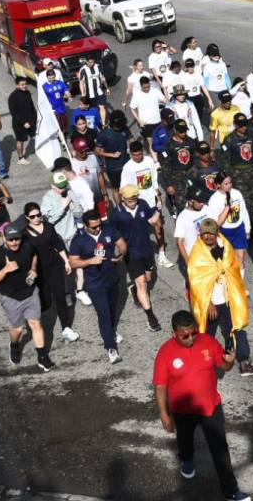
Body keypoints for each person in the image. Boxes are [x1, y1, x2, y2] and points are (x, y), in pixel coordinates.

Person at [153, 310, 252, 501]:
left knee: (220, 449)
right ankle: (187, 461)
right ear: (173, 333)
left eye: (193, 333)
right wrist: (164, 413)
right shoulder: (165, 353)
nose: (191, 339)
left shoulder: (207, 341)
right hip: (183, 411)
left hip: (211, 407)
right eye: (185, 336)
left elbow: (223, 366)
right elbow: (160, 385)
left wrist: (229, 362)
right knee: (185, 441)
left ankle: (231, 491)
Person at [188, 219, 253, 377]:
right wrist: (209, 303)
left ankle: (243, 361)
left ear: (216, 233)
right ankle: (202, 365)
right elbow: (196, 282)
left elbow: (233, 268)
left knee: (236, 330)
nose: (207, 237)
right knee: (206, 336)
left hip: (228, 299)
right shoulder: (198, 253)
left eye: (210, 234)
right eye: (204, 234)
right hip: (210, 303)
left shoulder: (225, 247)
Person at [0, 226, 54, 372]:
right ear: (4, 238)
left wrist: (34, 269)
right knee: (18, 329)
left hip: (30, 293)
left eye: (17, 239)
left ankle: (42, 357)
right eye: (11, 240)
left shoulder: (27, 246)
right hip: (11, 298)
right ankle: (14, 345)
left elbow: (34, 256)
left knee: (35, 324)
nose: (15, 242)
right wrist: (5, 270)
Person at [69, 209, 127, 363]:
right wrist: (89, 261)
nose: (97, 229)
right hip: (95, 284)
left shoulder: (108, 229)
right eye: (93, 227)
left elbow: (122, 244)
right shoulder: (79, 240)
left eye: (99, 225)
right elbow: (73, 262)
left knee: (113, 310)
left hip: (112, 279)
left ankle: (111, 332)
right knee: (104, 314)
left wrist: (120, 256)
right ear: (85, 226)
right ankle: (111, 348)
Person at [22, 201, 79, 344]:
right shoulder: (24, 234)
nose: (36, 218)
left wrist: (66, 261)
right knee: (45, 302)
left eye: (38, 215)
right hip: (39, 271)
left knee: (60, 298)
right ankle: (34, 326)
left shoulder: (48, 227)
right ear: (27, 217)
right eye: (33, 216)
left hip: (55, 266)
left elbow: (58, 245)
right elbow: (24, 255)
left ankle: (66, 328)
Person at [110, 184, 165, 332]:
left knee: (147, 280)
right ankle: (151, 317)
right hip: (131, 254)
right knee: (142, 284)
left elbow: (151, 218)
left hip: (146, 251)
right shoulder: (117, 214)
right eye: (129, 199)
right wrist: (116, 252)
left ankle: (133, 289)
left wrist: (158, 211)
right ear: (122, 198)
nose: (133, 201)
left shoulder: (143, 205)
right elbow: (111, 234)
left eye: (135, 198)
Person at [207, 173, 249, 282]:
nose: (229, 186)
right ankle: (227, 285)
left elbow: (244, 211)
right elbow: (215, 223)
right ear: (218, 185)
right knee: (226, 261)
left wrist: (247, 229)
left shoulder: (237, 193)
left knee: (241, 258)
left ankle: (240, 285)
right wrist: (226, 208)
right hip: (224, 232)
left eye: (230, 182)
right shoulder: (214, 200)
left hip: (238, 229)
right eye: (225, 184)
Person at [160, 120, 196, 219]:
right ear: (175, 130)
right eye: (181, 131)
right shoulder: (169, 146)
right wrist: (169, 184)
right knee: (181, 203)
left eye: (184, 131)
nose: (183, 133)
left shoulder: (191, 142)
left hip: (190, 175)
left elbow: (195, 159)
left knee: (195, 199)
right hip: (176, 178)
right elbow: (165, 166)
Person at [96, 110, 131, 206]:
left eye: (121, 125)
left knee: (130, 185)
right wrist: (112, 155)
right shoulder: (103, 134)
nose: (120, 127)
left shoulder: (124, 129)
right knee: (116, 189)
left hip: (127, 164)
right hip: (113, 168)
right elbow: (97, 151)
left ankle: (131, 204)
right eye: (118, 125)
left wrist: (131, 148)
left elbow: (131, 139)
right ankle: (120, 208)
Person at [120, 140, 163, 214]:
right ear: (130, 153)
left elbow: (154, 179)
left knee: (157, 222)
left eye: (139, 154)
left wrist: (158, 197)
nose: (137, 157)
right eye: (134, 155)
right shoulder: (127, 167)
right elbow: (124, 186)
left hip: (151, 199)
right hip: (138, 201)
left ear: (142, 151)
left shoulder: (149, 161)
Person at [41, 171, 79, 247]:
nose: (63, 189)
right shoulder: (47, 199)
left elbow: (79, 214)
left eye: (65, 186)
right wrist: (62, 207)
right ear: (52, 186)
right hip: (60, 239)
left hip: (74, 235)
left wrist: (73, 207)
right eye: (60, 187)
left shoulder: (70, 193)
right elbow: (49, 221)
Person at [7, 76, 37, 165]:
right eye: (22, 85)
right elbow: (13, 112)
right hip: (19, 123)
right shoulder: (13, 96)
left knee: (35, 135)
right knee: (20, 140)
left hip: (30, 120)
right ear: (17, 85)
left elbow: (31, 106)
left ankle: (39, 150)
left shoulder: (27, 93)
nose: (24, 86)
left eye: (25, 84)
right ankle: (20, 158)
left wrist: (35, 117)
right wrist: (23, 122)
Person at [130, 75, 165, 142]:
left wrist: (164, 88)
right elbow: (132, 108)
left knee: (161, 141)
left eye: (148, 87)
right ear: (141, 86)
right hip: (146, 123)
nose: (147, 89)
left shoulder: (155, 91)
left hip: (157, 121)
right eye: (144, 87)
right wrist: (139, 120)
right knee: (151, 144)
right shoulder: (137, 94)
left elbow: (165, 100)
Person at [78, 53, 109, 125]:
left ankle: (104, 124)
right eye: (89, 62)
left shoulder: (98, 67)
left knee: (102, 107)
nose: (91, 64)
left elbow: (103, 78)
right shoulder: (83, 70)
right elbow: (81, 83)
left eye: (92, 62)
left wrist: (107, 88)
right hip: (89, 95)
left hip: (99, 92)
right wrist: (83, 94)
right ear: (86, 61)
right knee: (91, 110)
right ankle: (91, 125)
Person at [41, 68, 70, 134]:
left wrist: (67, 95)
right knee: (57, 123)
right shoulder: (44, 87)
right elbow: (43, 98)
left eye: (53, 77)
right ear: (47, 77)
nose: (51, 79)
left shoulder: (60, 83)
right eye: (50, 78)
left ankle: (65, 132)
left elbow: (66, 90)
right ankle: (59, 135)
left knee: (64, 121)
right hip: (53, 109)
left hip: (61, 106)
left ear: (55, 76)